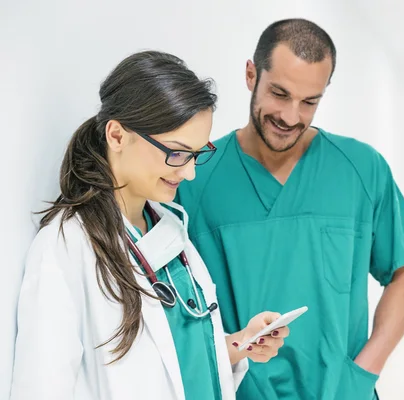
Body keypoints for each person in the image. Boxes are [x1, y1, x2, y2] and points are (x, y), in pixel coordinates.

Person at [10, 50, 290, 400]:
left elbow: (177, 357)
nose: (188, 173)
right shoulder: (67, 248)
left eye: (197, 154)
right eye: (176, 153)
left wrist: (236, 344)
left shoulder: (171, 233)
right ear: (116, 136)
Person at [175, 18, 404, 399]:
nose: (291, 116)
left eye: (309, 102)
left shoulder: (360, 168)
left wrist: (363, 373)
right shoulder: (195, 177)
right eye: (279, 93)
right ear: (251, 75)